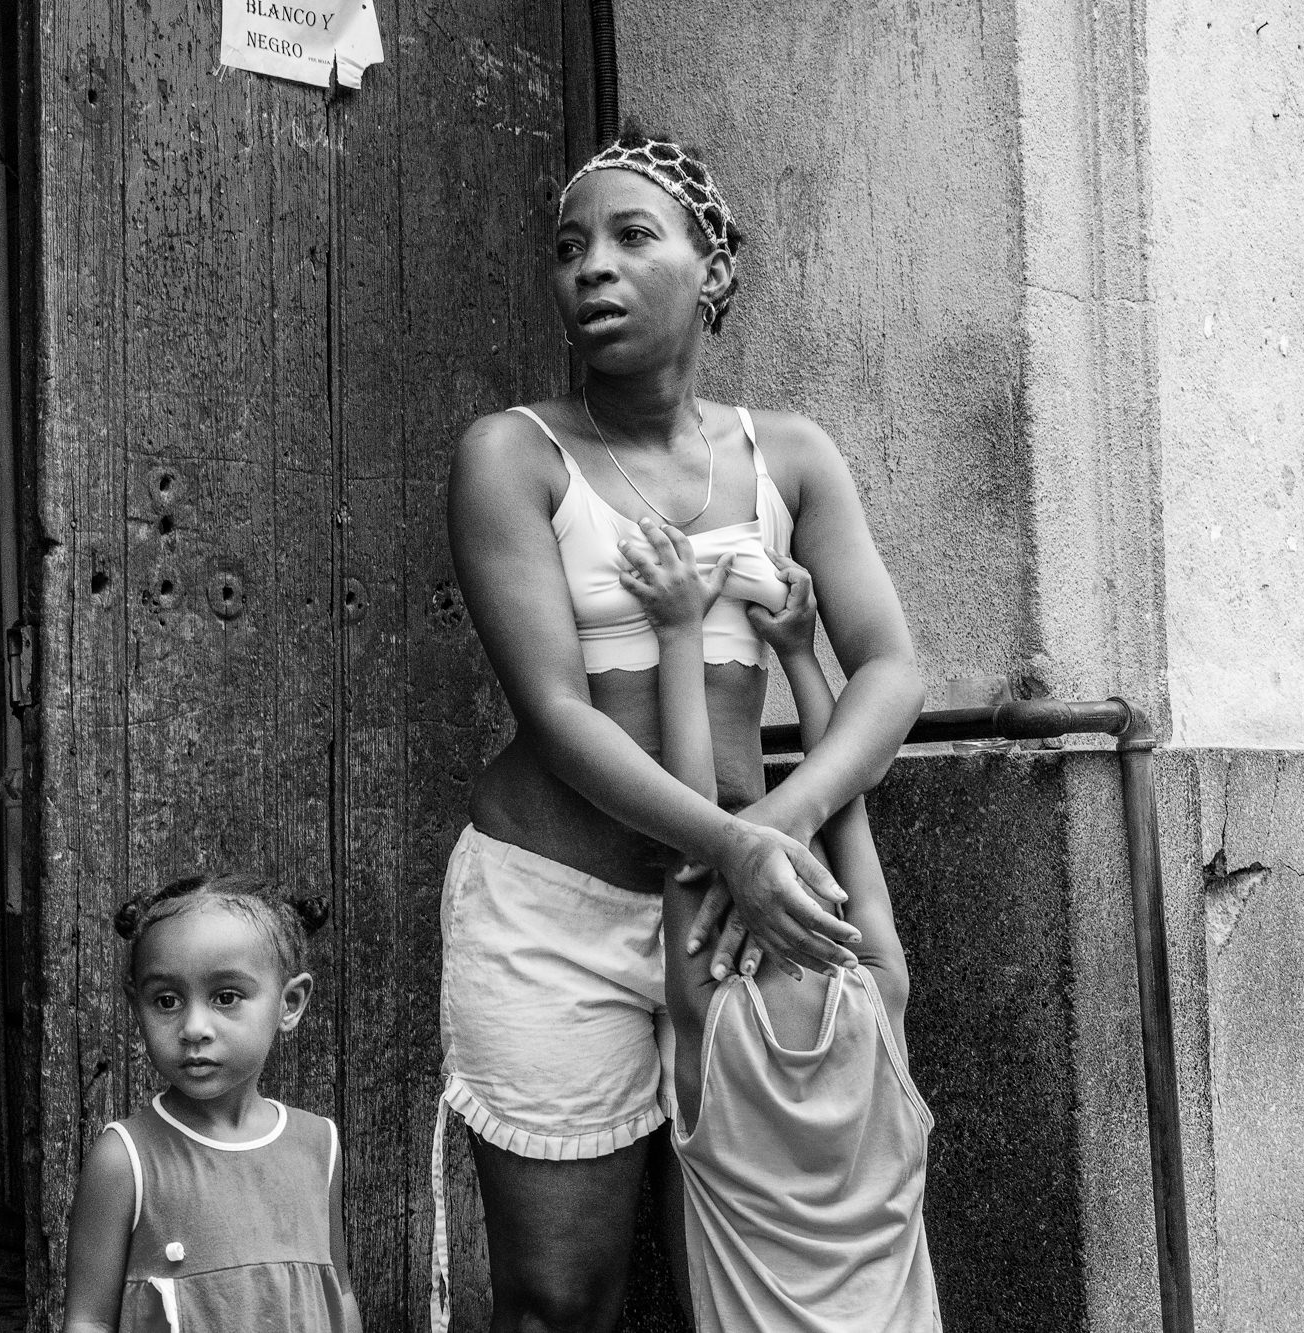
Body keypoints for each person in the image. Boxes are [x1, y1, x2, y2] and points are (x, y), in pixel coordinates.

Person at [436, 123, 924, 1332]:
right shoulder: (513, 455)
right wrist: (737, 844)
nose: (588, 267)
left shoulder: (791, 457)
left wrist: (775, 830)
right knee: (559, 1295)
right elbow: (554, 714)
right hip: (558, 911)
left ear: (710, 269)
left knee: (768, 1264)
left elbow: (890, 670)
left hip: (749, 917)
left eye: (629, 236)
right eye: (567, 247)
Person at [625, 520, 939, 1329]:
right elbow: (842, 803)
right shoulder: (878, 999)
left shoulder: (715, 1031)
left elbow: (693, 820)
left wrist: (679, 629)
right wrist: (800, 654)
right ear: (830, 908)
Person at [63, 872, 363, 1333]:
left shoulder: (318, 1145)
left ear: (290, 1002)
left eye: (226, 997)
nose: (194, 1027)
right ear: (135, 1004)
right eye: (166, 1001)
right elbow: (88, 1319)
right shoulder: (125, 1159)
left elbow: (337, 1291)